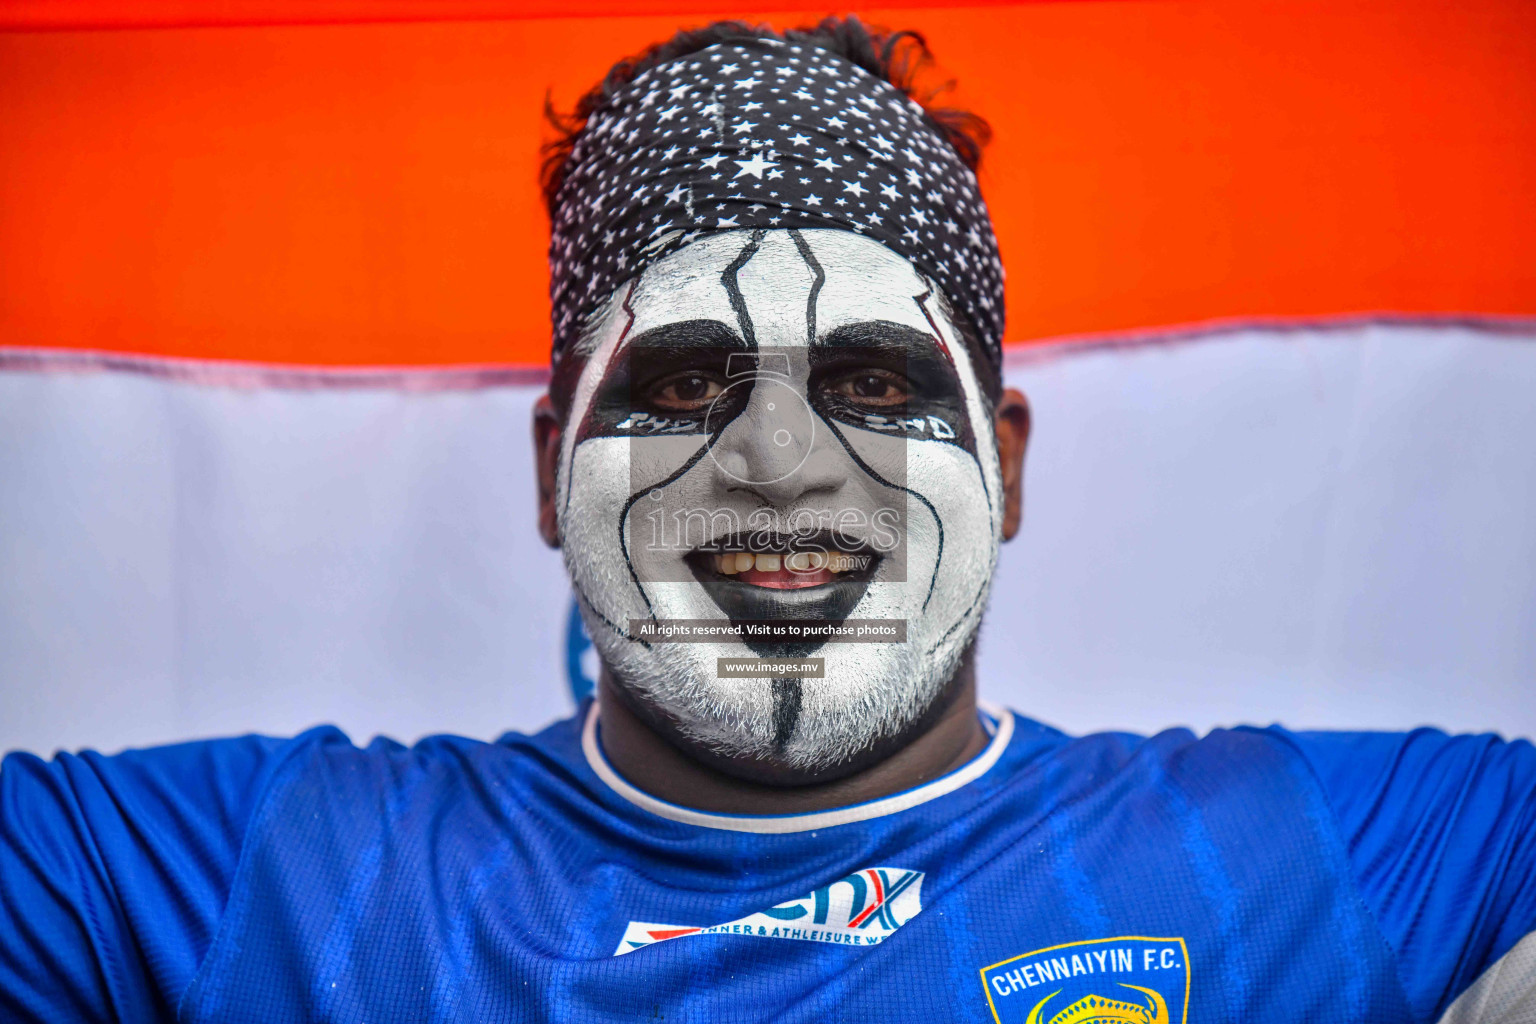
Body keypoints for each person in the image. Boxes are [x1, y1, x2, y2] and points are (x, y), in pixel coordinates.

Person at [1, 17, 1532, 1024]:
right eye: (680, 384)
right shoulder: (233, 876)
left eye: (872, 377)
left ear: (1003, 458)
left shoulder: (1350, 850)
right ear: (550, 472)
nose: (783, 465)